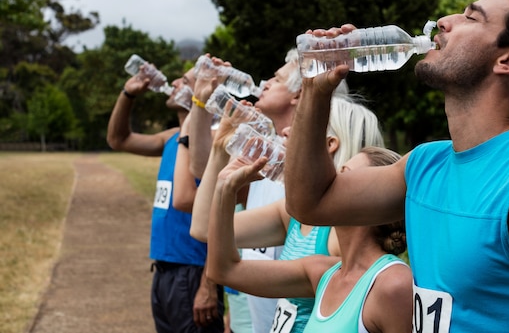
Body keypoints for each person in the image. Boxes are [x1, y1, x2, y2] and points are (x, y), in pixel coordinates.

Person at [283, 0, 509, 333]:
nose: (444, 22)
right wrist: (316, 92)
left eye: (471, 18)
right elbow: (309, 202)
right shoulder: (424, 165)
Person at [193, 93, 385, 333]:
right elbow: (203, 228)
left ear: (330, 144)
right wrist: (220, 150)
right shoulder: (293, 215)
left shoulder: (341, 234)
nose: (284, 132)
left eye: (299, 126)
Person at [207, 146, 413, 333]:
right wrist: (225, 189)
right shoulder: (323, 273)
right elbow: (223, 270)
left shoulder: (392, 284)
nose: (332, 181)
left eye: (344, 174)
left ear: (376, 200)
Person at [106, 62, 224, 333]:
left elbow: (226, 215)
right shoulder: (173, 137)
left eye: (183, 80)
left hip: (194, 270)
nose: (173, 84)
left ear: (204, 90)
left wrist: (208, 284)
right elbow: (118, 139)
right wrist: (128, 94)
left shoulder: (213, 140)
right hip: (164, 269)